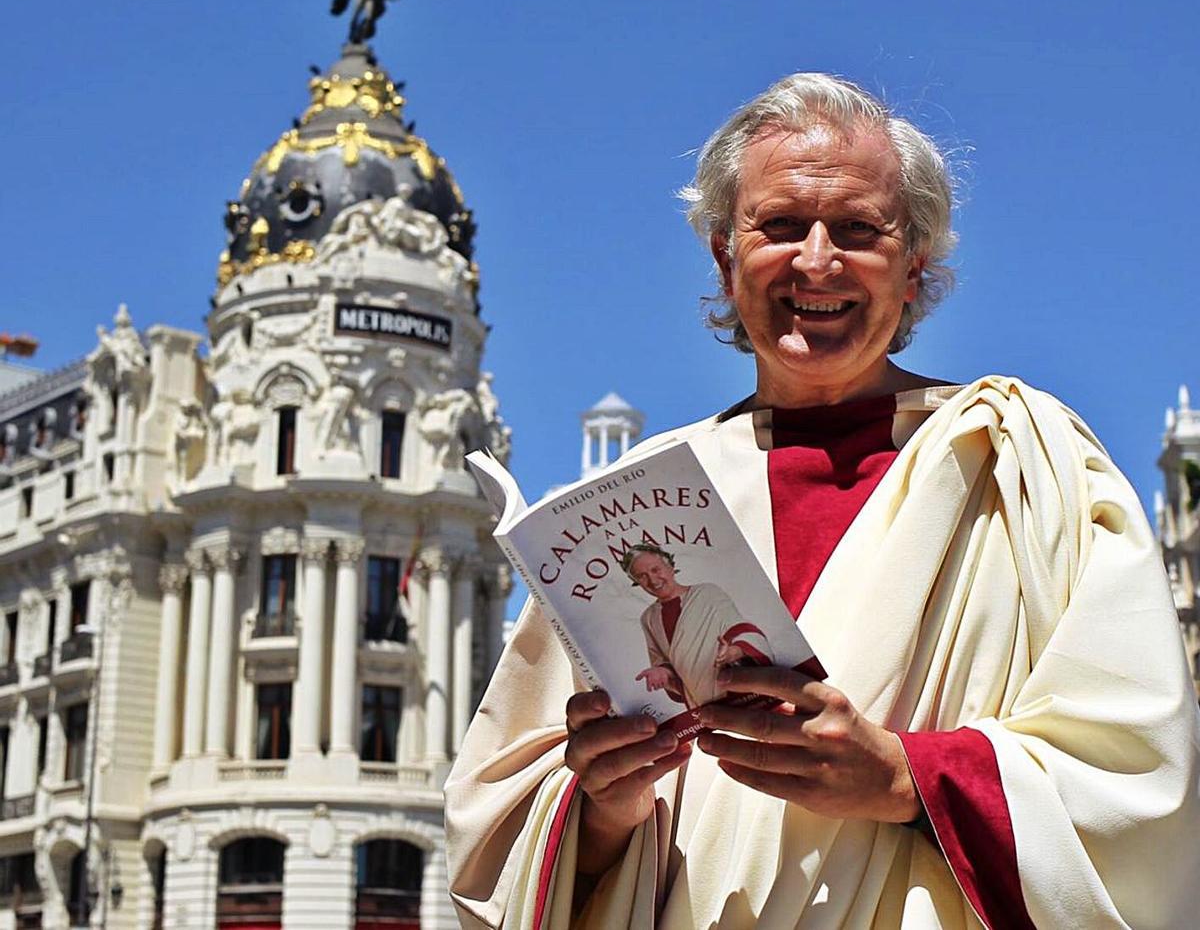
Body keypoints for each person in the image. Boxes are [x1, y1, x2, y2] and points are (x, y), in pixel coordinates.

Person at [445, 73, 1200, 929]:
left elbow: (1143, 784)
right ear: (727, 261)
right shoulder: (626, 505)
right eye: (778, 226)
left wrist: (903, 777)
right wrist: (606, 811)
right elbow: (497, 834)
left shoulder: (1026, 461)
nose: (816, 260)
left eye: (856, 229)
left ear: (914, 266)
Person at [625, 543, 773, 709]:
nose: (652, 580)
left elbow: (740, 629)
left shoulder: (708, 593)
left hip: (737, 687)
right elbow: (663, 660)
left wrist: (735, 651)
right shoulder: (648, 618)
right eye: (642, 576)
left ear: (670, 567)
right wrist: (662, 672)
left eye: (655, 570)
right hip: (701, 701)